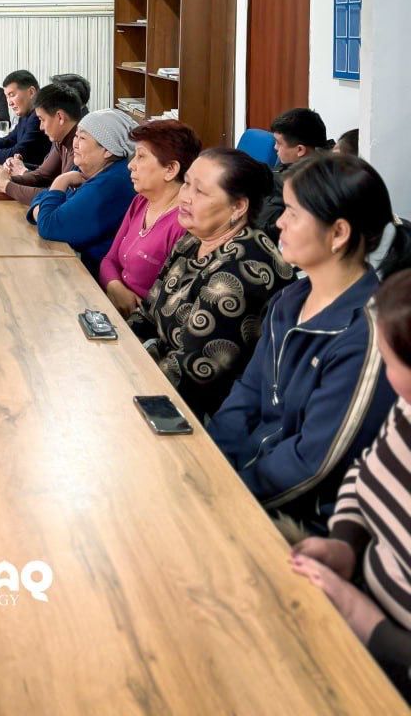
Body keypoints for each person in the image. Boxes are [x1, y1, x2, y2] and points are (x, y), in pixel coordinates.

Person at [208, 154, 411, 532]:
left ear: (338, 233)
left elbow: (312, 464)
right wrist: (208, 460)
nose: (279, 222)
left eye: (293, 213)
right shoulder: (290, 299)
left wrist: (226, 494)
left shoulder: (366, 334)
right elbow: (248, 393)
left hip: (301, 519)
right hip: (243, 482)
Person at [291, 269, 411, 700]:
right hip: (351, 602)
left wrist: (360, 615)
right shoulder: (407, 409)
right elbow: (364, 472)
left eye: (389, 362)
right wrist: (344, 545)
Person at [128, 148, 295, 416]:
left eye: (201, 192)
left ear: (238, 207)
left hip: (203, 413)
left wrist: (123, 377)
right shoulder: (194, 238)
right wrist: (118, 349)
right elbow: (147, 313)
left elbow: (188, 374)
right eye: (187, 184)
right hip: (155, 376)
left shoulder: (240, 273)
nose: (185, 197)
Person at [100, 119, 202, 315]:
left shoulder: (184, 223)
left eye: (141, 157)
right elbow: (109, 260)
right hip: (114, 306)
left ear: (170, 169)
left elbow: (171, 303)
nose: (131, 165)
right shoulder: (141, 201)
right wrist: (116, 288)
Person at [26, 109, 137, 275]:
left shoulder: (110, 184)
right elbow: (46, 198)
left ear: (108, 149)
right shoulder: (88, 167)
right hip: (73, 262)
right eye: (76, 136)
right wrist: (45, 210)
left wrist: (60, 181)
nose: (75, 144)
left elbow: (48, 225)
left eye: (82, 138)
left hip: (92, 277)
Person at [0, 81, 83, 204]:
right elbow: (42, 176)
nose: (41, 127)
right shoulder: (61, 139)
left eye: (42, 119)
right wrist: (7, 179)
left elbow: (58, 196)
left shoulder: (81, 146)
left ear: (60, 117)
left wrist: (6, 186)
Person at [258, 106, 331, 241]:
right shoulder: (293, 160)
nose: (275, 148)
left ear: (300, 150)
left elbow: (268, 231)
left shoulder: (310, 186)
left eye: (279, 143)